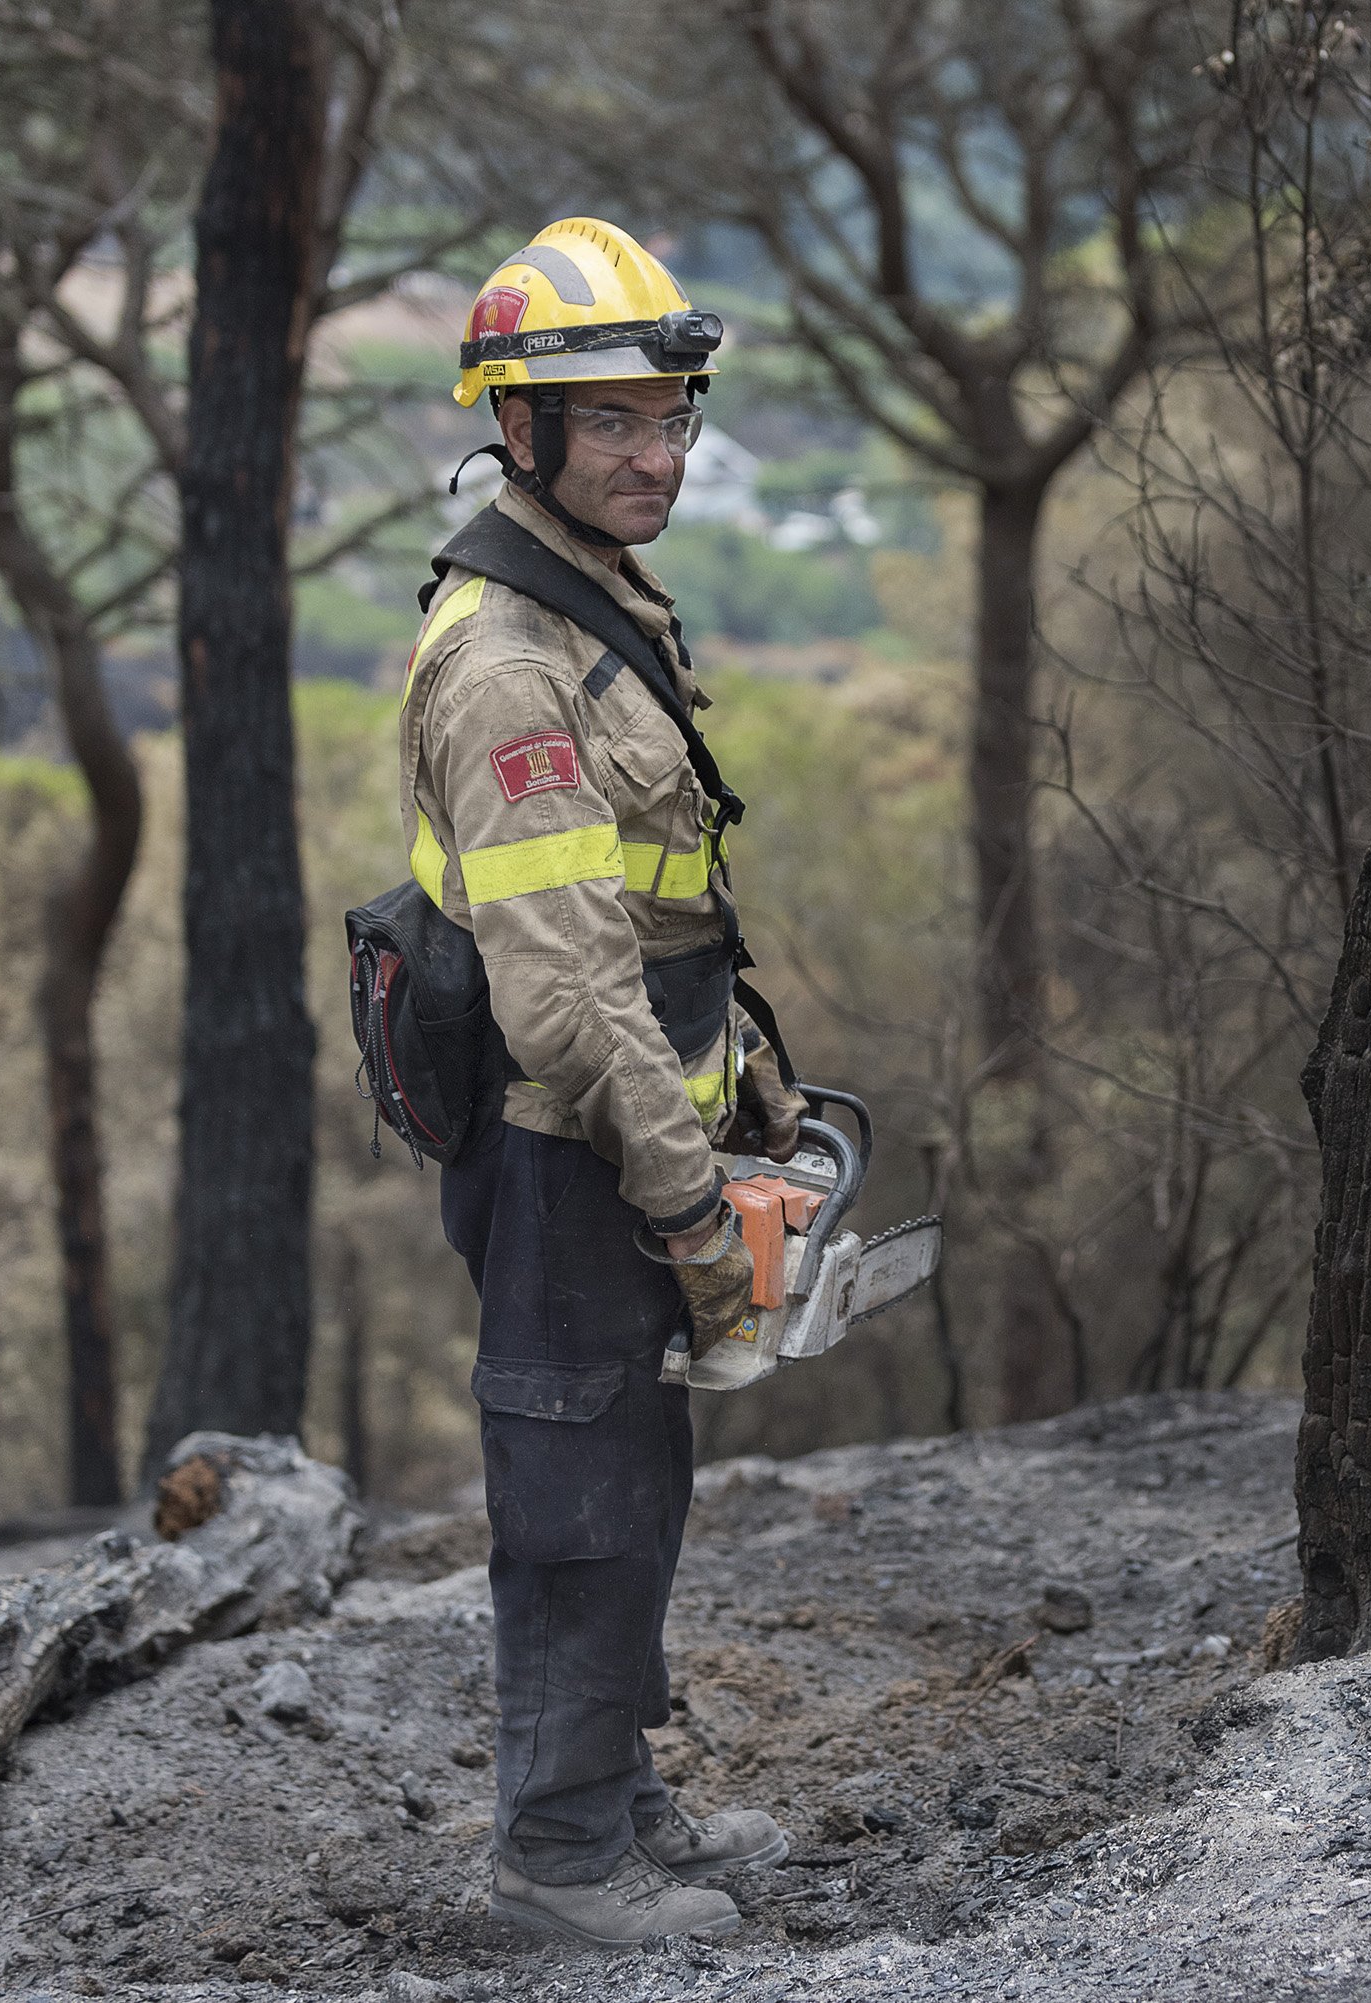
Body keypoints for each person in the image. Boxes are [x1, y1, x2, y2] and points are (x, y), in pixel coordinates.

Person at [398, 217, 806, 1946]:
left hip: (635, 1126)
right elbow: (566, 994)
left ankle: (619, 1808)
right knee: (573, 1499)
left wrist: (750, 1091)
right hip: (574, 1147)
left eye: (674, 415)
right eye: (617, 422)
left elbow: (662, 903)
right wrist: (690, 1196)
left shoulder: (597, 592)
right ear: (524, 430)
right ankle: (557, 1867)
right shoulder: (508, 666)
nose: (659, 454)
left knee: (631, 1483)